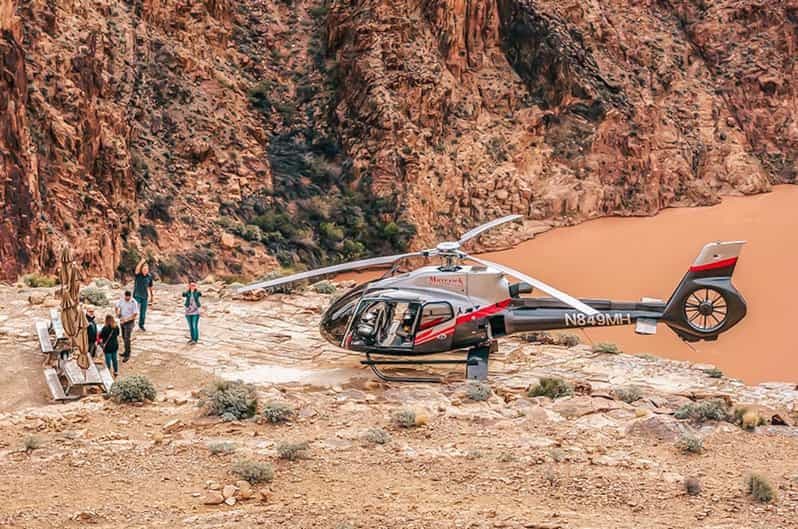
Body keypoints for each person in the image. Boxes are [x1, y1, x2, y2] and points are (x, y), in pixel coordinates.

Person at [115, 290, 139, 362]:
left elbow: (135, 314)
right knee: (123, 337)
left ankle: (127, 354)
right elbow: (116, 307)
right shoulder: (121, 300)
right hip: (122, 320)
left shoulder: (133, 302)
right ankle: (125, 351)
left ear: (130, 296)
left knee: (127, 338)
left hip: (129, 322)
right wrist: (117, 313)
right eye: (126, 297)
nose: (127, 298)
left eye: (128, 297)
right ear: (124, 295)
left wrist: (127, 320)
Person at [133, 260, 154, 331]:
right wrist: (141, 262)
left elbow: (150, 287)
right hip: (137, 296)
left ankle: (141, 325)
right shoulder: (138, 275)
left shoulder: (149, 277)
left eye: (147, 269)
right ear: (141, 269)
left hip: (145, 296)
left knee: (143, 313)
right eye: (144, 269)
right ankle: (130, 323)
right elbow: (136, 269)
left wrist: (152, 296)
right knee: (134, 311)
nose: (145, 270)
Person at [182, 280, 202, 344]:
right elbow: (183, 294)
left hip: (196, 312)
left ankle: (195, 340)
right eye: (191, 285)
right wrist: (187, 290)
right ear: (189, 286)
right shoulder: (187, 292)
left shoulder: (197, 292)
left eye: (193, 285)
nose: (192, 286)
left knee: (194, 326)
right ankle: (192, 339)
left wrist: (195, 290)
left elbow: (200, 294)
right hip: (188, 312)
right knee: (190, 326)